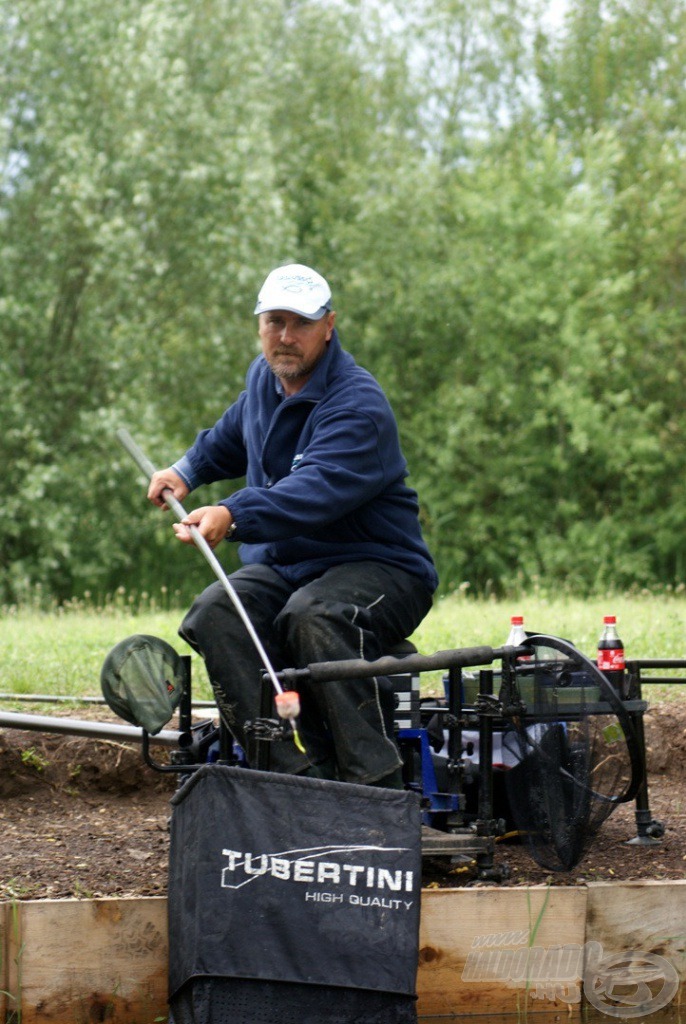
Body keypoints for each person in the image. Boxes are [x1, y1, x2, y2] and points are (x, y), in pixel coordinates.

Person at [147, 263, 438, 787]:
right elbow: (231, 437)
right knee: (215, 611)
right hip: (288, 565)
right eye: (274, 321)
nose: (285, 336)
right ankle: (288, 779)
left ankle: (375, 789)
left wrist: (232, 514)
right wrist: (185, 471)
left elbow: (309, 494)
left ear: (328, 325)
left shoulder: (357, 405)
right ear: (259, 324)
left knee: (315, 617)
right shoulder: (265, 378)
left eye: (300, 323)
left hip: (381, 568)